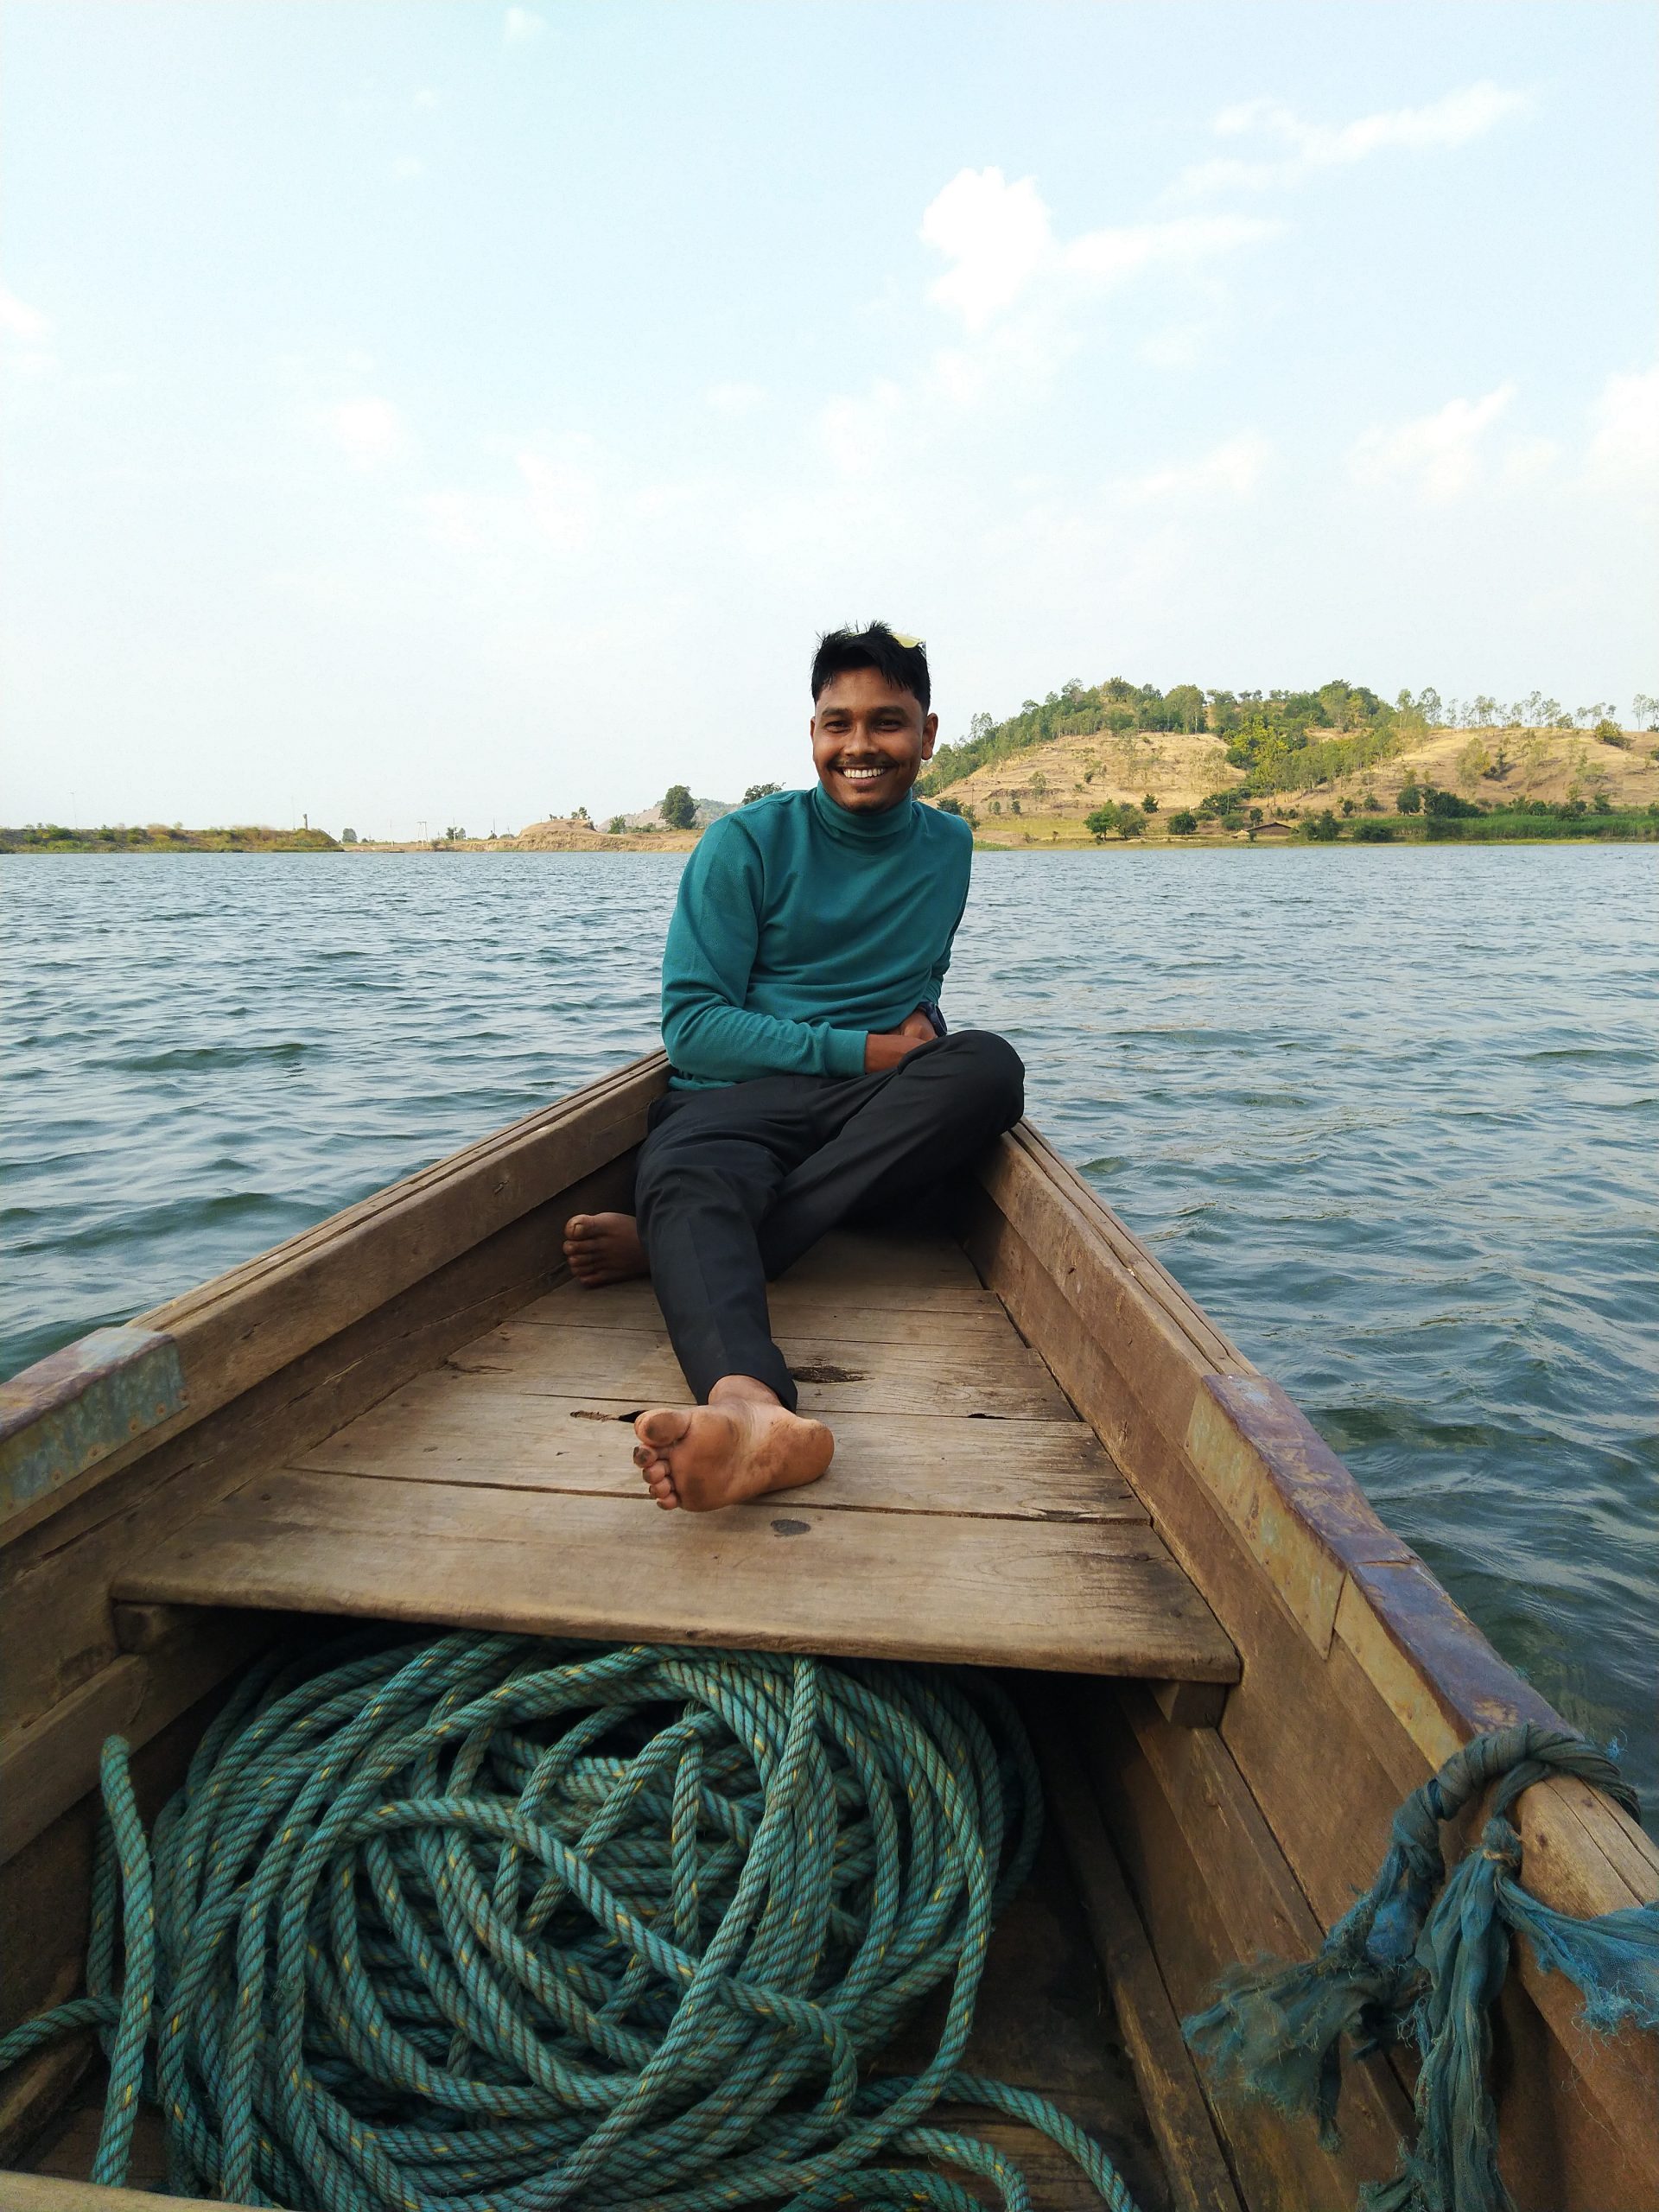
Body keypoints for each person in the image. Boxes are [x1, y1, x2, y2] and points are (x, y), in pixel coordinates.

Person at [563, 623, 1024, 1511]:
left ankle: (676, 1248)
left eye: (887, 724)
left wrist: (916, 1030)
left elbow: (919, 982)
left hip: (870, 1110)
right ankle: (746, 1411)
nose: (859, 747)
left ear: (928, 735)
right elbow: (694, 1029)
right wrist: (863, 1048)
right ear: (812, 731)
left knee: (989, 1069)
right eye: (836, 723)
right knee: (691, 1174)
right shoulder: (743, 844)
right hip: (734, 1100)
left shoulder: (950, 848)